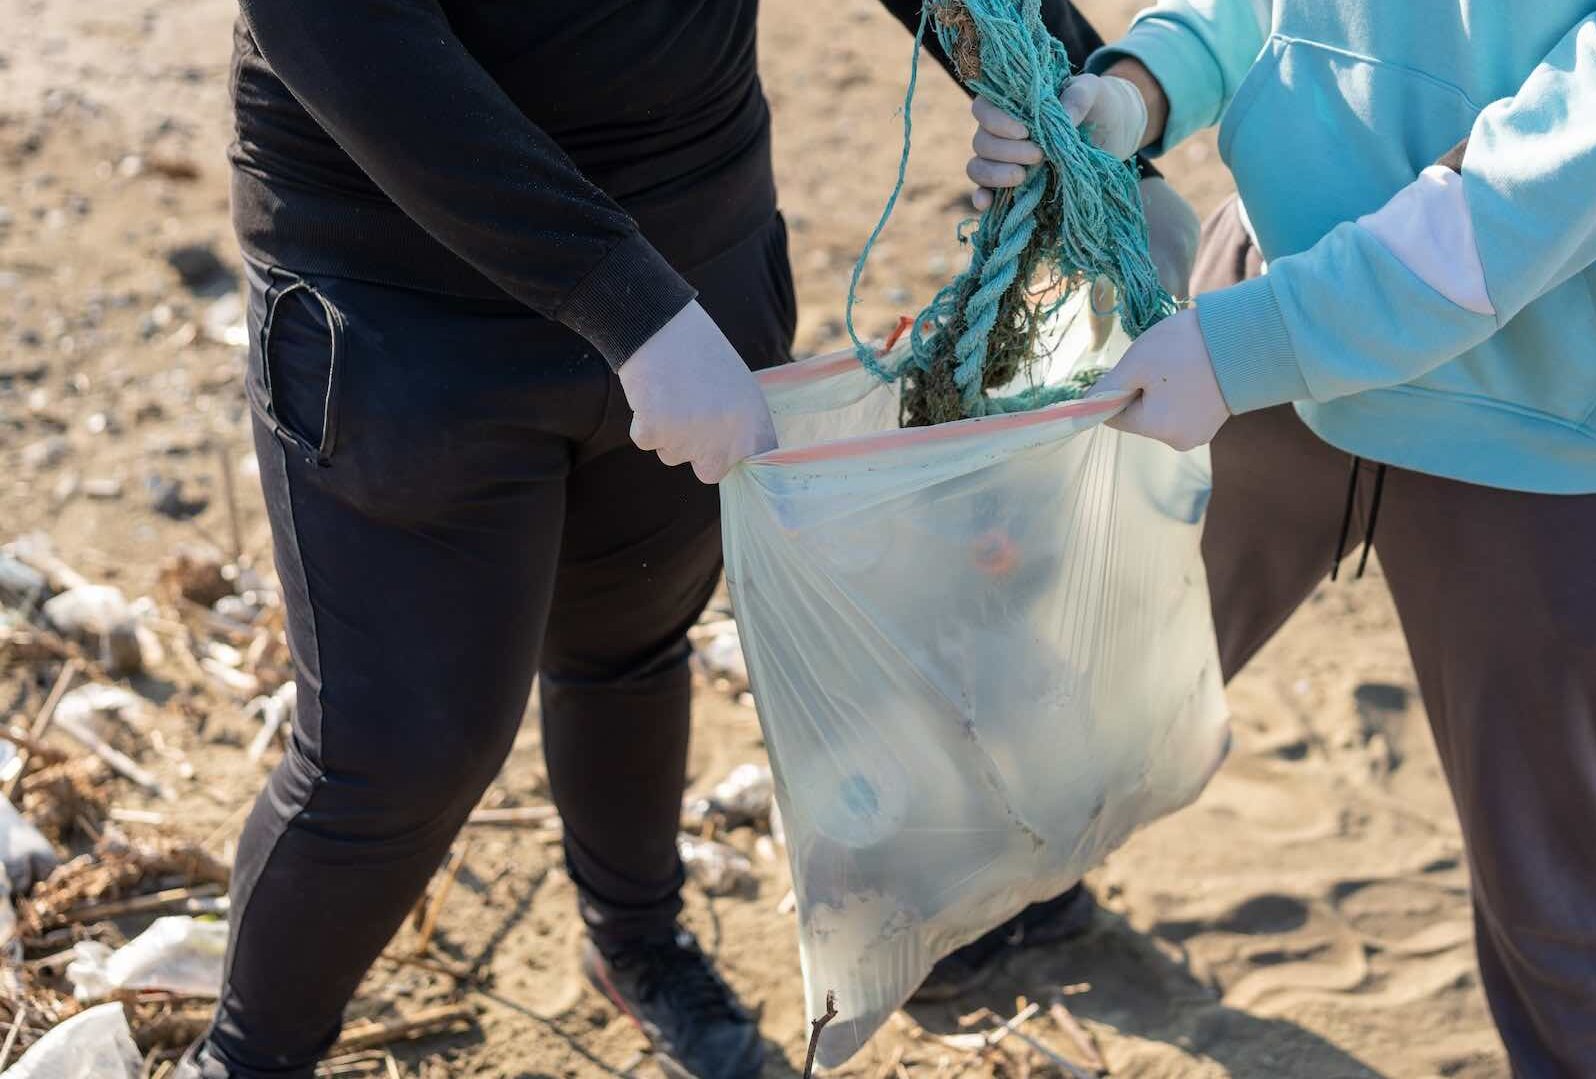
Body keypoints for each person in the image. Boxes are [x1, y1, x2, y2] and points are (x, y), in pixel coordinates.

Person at [182, 2, 1192, 1077]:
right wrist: (623, 304)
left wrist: (1095, 117)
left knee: (632, 636)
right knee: (398, 755)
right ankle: (247, 1056)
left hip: (700, 252)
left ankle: (636, 939)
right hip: (402, 293)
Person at [959, 1, 1596, 1075]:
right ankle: (992, 923)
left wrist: (1260, 342)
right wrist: (1138, 91)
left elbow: (1567, 161)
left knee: (1548, 867)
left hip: (1546, 420)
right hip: (1261, 313)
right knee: (1104, 657)